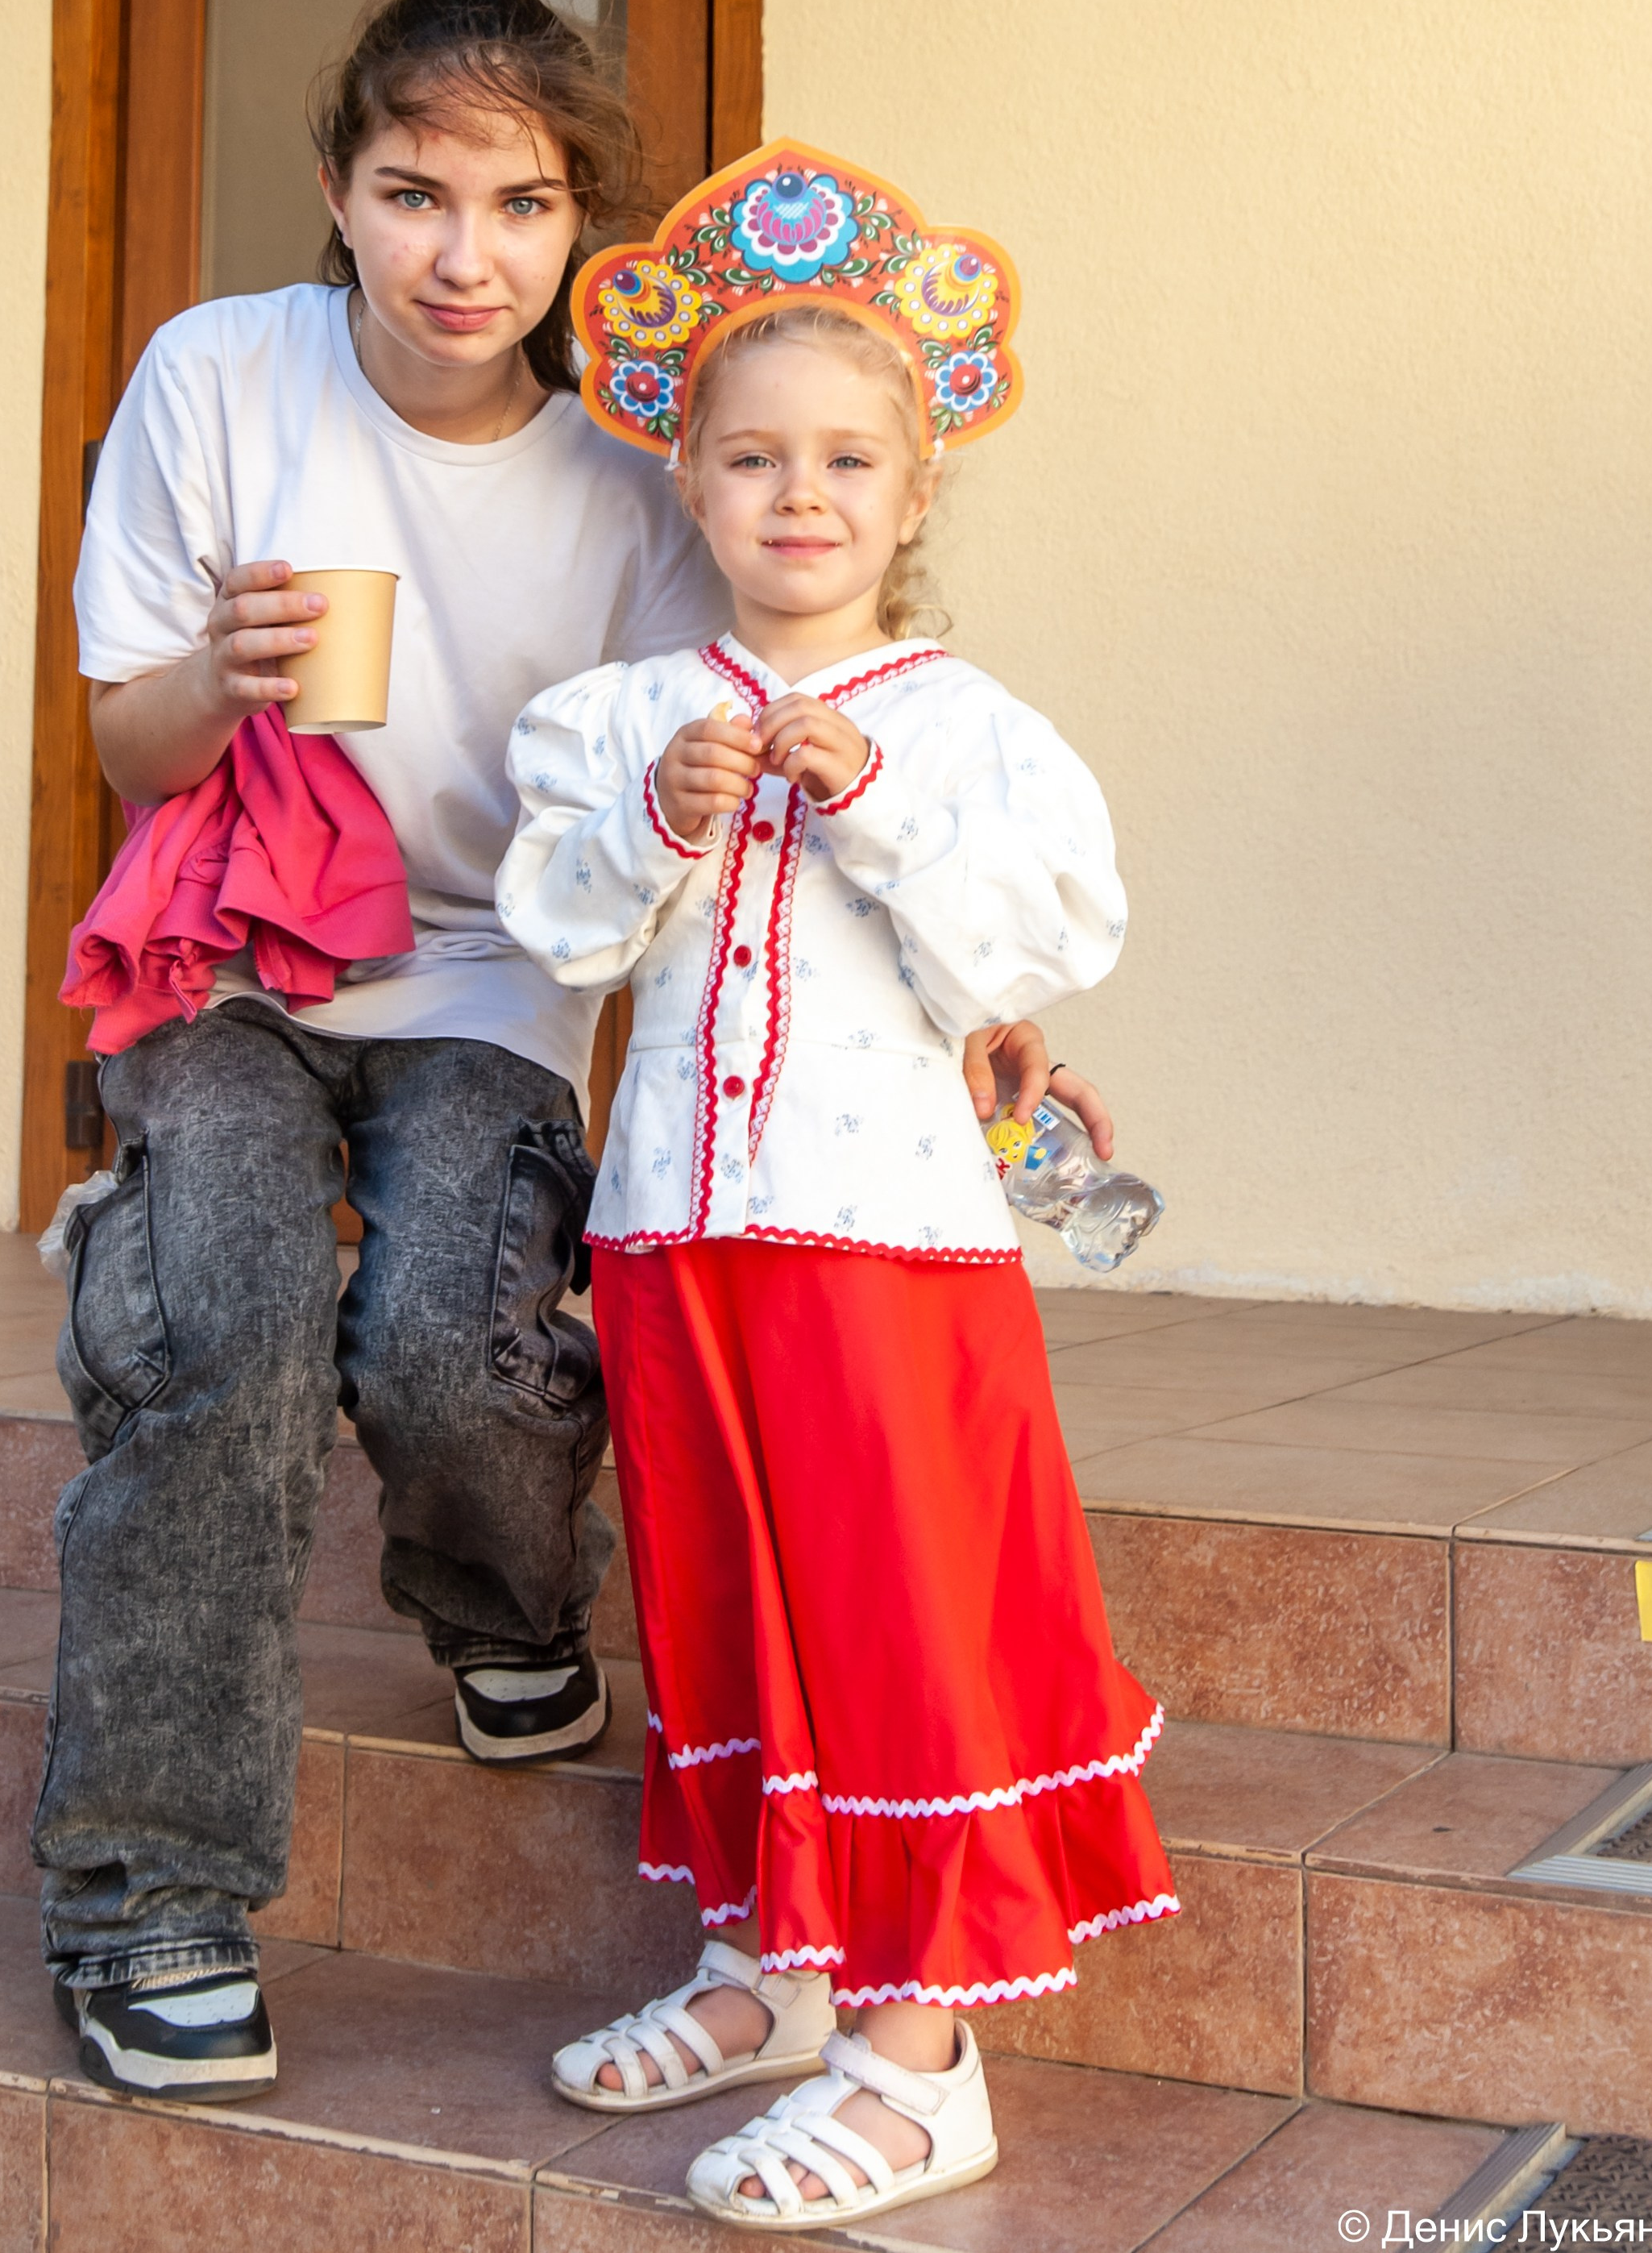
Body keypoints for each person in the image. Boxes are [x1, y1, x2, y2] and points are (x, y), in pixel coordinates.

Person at [39, 0, 1089, 2105]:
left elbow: (692, 818)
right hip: (235, 958)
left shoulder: (636, 473)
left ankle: (509, 1607)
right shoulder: (216, 376)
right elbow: (120, 744)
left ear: (578, 234)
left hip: (497, 981)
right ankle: (150, 1891)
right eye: (412, 192)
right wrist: (228, 680)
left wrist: (979, 1008)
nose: (460, 252)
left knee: (455, 1337)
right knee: (224, 1306)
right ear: (337, 188)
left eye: (519, 203)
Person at [496, 142, 1177, 2230]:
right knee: (718, 1609)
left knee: (890, 1626)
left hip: (887, 1250)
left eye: (848, 462)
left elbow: (1039, 946)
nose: (801, 496)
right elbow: (563, 931)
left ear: (914, 491)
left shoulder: (966, 728)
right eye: (754, 458)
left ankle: (921, 2051)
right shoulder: (615, 720)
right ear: (683, 482)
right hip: (672, 1235)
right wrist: (652, 827)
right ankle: (770, 1965)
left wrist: (868, 806)